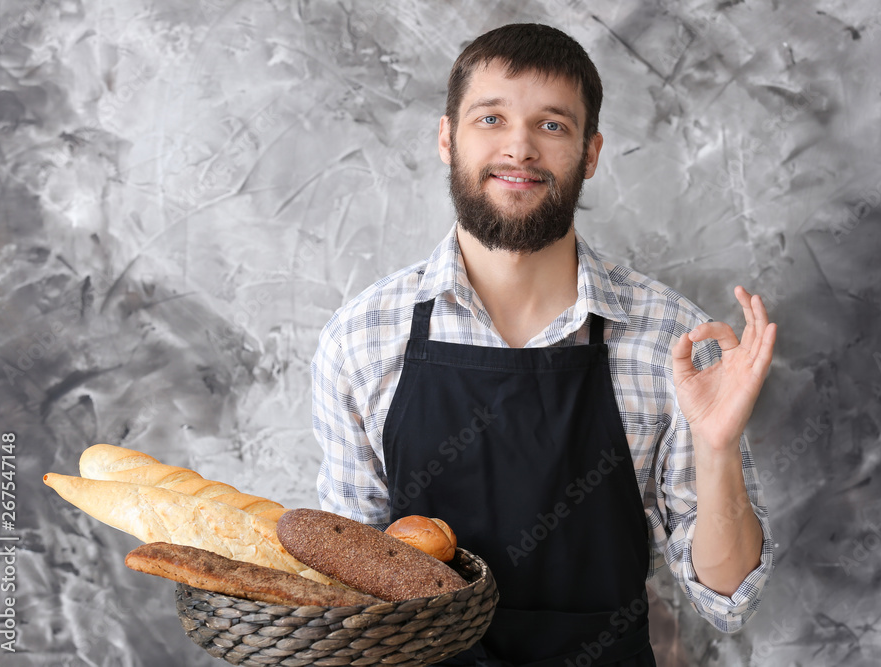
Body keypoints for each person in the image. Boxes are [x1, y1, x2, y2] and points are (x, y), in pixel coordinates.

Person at [312, 22, 775, 666]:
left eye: (552, 125)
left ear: (590, 153)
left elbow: (728, 596)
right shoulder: (361, 339)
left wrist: (718, 447)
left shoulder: (670, 340)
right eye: (491, 118)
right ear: (448, 138)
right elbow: (348, 579)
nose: (520, 148)